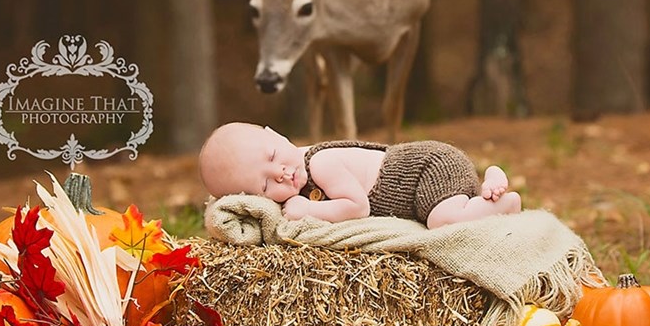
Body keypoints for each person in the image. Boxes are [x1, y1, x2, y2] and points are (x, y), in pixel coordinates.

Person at [199, 122, 523, 226]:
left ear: (279, 136)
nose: (281, 174)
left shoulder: (318, 164)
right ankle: (484, 187)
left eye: (273, 156)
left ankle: (501, 203)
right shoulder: (295, 174)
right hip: (422, 182)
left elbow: (358, 207)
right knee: (447, 208)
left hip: (426, 169)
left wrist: (310, 210)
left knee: (442, 219)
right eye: (266, 184)